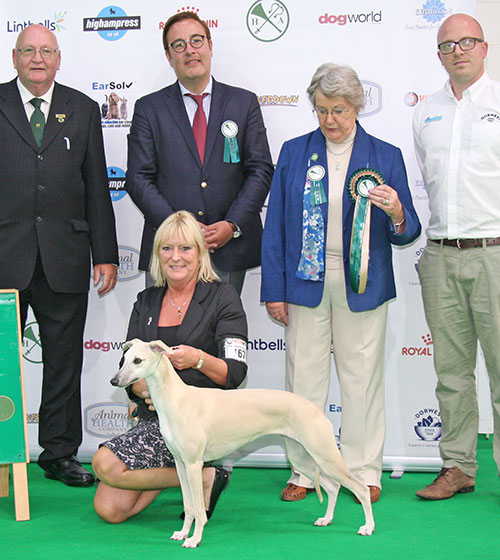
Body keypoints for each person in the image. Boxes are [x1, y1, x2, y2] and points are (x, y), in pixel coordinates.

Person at [261, 63, 421, 503]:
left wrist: (396, 212)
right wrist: (274, 289)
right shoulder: (294, 152)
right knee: (303, 382)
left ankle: (364, 470)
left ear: (357, 107)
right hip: (305, 281)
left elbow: (408, 232)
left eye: (340, 110)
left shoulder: (386, 156)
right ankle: (304, 471)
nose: (330, 120)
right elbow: (274, 227)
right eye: (322, 110)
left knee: (362, 379)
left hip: (363, 281)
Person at [0, 25, 118, 486]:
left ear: (58, 59)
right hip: (5, 255)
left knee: (64, 360)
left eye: (45, 51)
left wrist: (105, 254)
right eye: (28, 51)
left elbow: (97, 189)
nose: (37, 59)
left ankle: (59, 453)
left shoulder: (83, 109)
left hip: (65, 255)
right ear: (14, 57)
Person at [92, 210, 248, 523]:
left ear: (200, 252)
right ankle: (204, 477)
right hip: (157, 420)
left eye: (185, 248)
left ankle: (198, 470)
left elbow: (234, 372)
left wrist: (198, 359)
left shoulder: (223, 297)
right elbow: (128, 368)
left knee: (105, 464)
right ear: (157, 254)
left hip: (201, 421)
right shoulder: (145, 300)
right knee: (111, 509)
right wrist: (143, 388)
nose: (175, 257)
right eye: (167, 248)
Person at [413, 13, 500, 500]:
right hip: (442, 255)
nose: (458, 50)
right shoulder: (424, 111)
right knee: (451, 371)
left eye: (468, 42)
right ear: (439, 55)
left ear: (485, 48)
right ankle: (458, 465)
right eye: (448, 45)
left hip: (495, 253)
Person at [126, 10, 273, 295]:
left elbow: (260, 170)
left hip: (228, 248)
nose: (189, 50)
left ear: (210, 44)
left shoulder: (244, 103)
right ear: (169, 56)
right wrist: (178, 233)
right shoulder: (149, 109)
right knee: (163, 337)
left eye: (196, 40)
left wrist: (233, 224)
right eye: (178, 45)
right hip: (169, 252)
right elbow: (138, 178)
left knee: (224, 336)